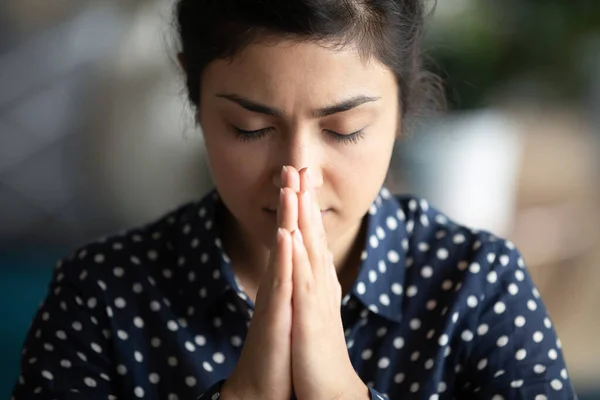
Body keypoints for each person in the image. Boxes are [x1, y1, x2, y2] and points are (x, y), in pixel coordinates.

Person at [11, 0, 576, 399]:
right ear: (194, 95)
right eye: (251, 127)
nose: (295, 176)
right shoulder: (102, 295)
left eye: (345, 129)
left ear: (403, 105)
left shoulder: (478, 286)